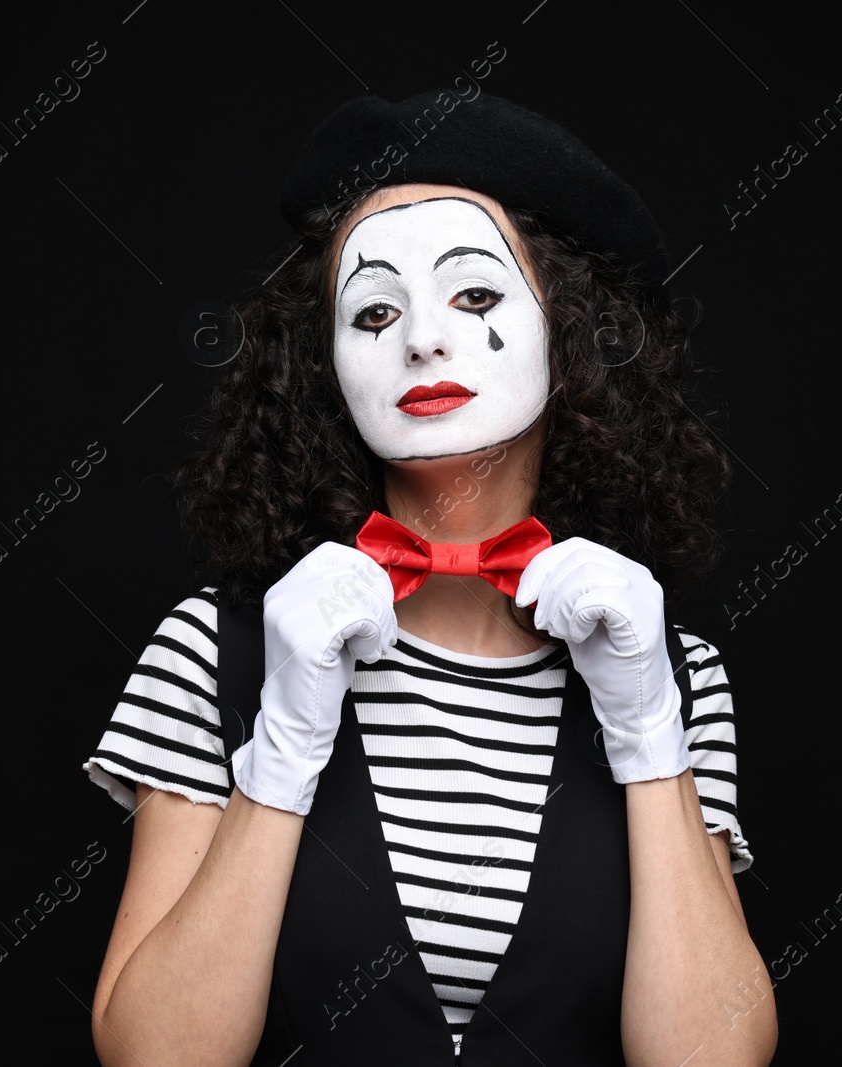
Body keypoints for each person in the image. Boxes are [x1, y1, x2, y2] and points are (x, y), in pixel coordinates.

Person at [83, 89, 777, 1066]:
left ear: (569, 333)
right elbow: (155, 1057)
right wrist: (280, 750)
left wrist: (648, 735)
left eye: (476, 295)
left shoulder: (677, 673)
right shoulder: (214, 649)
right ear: (325, 360)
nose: (420, 338)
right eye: (373, 308)